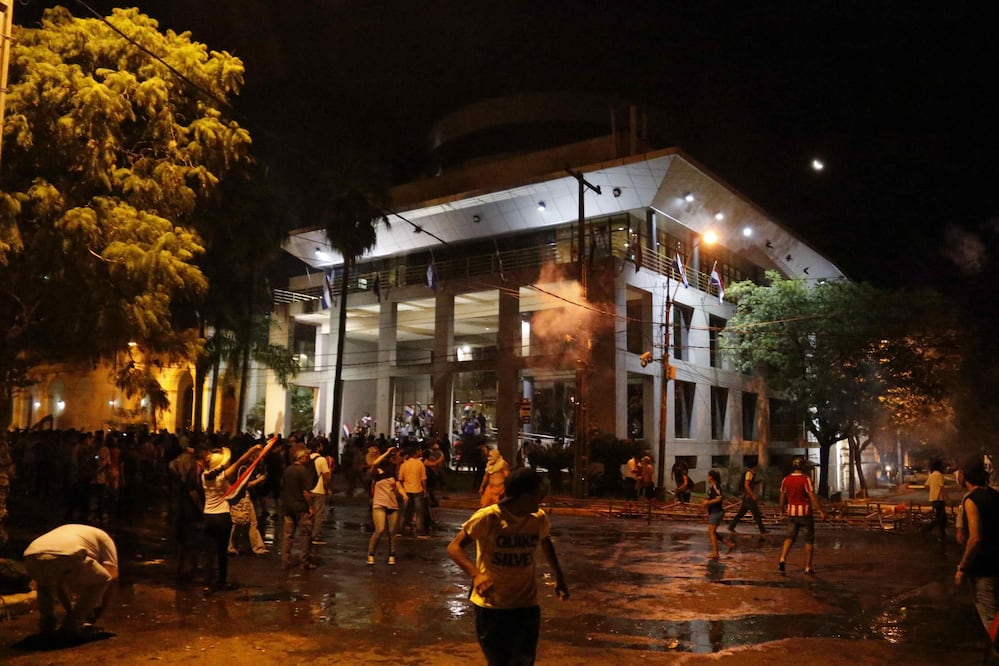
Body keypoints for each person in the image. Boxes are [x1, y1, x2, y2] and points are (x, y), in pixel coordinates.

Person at [447, 468, 569, 666]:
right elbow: (454, 548)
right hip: (492, 607)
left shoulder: (538, 518)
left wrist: (560, 578)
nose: (541, 501)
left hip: (526, 606)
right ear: (524, 494)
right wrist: (476, 575)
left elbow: (546, 543)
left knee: (523, 662)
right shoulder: (488, 517)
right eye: (538, 495)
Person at [23, 523, 118, 637]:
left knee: (45, 585)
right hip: (67, 555)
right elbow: (112, 575)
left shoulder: (74, 531)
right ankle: (74, 624)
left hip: (31, 555)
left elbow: (60, 586)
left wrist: (70, 610)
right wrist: (100, 610)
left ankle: (47, 626)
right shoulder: (105, 538)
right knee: (103, 579)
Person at [202, 443, 263, 592]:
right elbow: (240, 462)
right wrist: (252, 450)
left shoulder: (204, 476)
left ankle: (208, 582)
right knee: (222, 552)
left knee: (209, 552)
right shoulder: (222, 477)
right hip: (222, 516)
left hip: (208, 516)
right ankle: (221, 581)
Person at [953, 459, 999, 649]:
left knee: (990, 618)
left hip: (983, 568)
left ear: (965, 476)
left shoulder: (971, 499)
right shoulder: (995, 495)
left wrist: (962, 568)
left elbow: (975, 538)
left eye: (960, 472)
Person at [777, 458, 825, 574]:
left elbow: (782, 496)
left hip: (792, 513)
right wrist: (821, 511)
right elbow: (812, 496)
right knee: (808, 540)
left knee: (789, 537)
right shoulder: (806, 479)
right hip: (805, 514)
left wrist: (781, 510)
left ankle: (782, 558)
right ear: (803, 467)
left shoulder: (786, 479)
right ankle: (808, 566)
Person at [281, 444, 318, 570]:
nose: (308, 458)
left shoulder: (288, 469)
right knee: (305, 535)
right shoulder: (303, 471)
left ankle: (285, 560)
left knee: (287, 535)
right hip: (301, 507)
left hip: (288, 506)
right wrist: (311, 507)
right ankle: (304, 561)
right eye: (306, 456)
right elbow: (306, 492)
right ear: (301, 457)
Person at [367, 448, 406, 565]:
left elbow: (398, 485)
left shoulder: (393, 471)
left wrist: (404, 494)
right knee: (379, 530)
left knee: (392, 532)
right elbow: (374, 463)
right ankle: (371, 554)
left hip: (392, 504)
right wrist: (387, 452)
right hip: (379, 503)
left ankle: (392, 554)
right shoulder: (376, 472)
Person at [728, 462, 768, 535]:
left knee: (741, 513)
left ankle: (731, 526)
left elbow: (750, 484)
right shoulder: (749, 473)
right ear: (754, 467)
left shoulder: (751, 474)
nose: (757, 468)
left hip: (747, 498)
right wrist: (752, 495)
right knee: (756, 514)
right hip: (749, 498)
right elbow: (746, 485)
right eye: (756, 467)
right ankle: (763, 531)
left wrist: (758, 482)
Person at [397, 445, 429, 536]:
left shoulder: (404, 464)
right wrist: (425, 490)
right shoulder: (420, 464)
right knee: (419, 512)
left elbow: (400, 478)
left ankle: (400, 529)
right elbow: (423, 479)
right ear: (415, 453)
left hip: (406, 490)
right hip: (417, 490)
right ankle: (419, 530)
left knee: (404, 511)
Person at [307, 441, 333, 545]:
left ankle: (307, 534)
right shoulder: (321, 459)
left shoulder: (306, 458)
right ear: (318, 448)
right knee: (318, 514)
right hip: (319, 489)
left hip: (308, 489)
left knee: (309, 513)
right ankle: (316, 536)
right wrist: (328, 489)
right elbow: (326, 476)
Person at [704, 469, 731, 560]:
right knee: (713, 532)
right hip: (714, 512)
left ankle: (715, 553)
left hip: (717, 512)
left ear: (711, 477)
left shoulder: (716, 486)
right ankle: (728, 543)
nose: (707, 478)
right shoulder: (712, 487)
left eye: (708, 476)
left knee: (711, 531)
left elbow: (719, 498)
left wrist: (707, 502)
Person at [922, 458, 949, 542]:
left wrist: (932, 490)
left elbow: (926, 486)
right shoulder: (939, 475)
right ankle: (926, 530)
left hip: (933, 499)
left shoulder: (932, 475)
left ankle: (941, 535)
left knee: (942, 518)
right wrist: (947, 498)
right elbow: (942, 487)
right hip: (939, 499)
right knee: (941, 518)